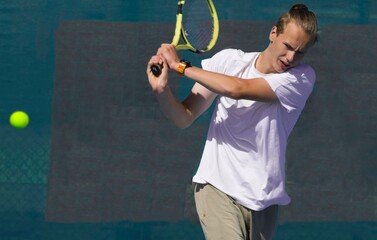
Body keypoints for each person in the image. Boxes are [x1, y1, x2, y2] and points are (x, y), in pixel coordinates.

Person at [147, 3, 318, 240]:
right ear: (273, 33)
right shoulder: (228, 62)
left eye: (300, 52)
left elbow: (238, 88)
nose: (291, 57)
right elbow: (184, 116)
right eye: (288, 46)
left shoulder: (300, 78)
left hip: (264, 201)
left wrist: (180, 66)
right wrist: (162, 91)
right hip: (217, 188)